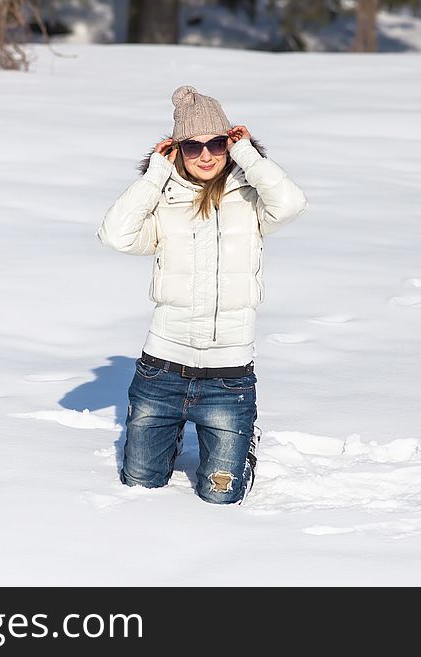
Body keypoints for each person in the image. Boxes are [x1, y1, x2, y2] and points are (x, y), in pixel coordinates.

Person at [96, 85, 308, 504]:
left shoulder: (250, 201)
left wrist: (248, 153)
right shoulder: (165, 203)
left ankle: (240, 440)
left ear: (229, 144)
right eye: (193, 147)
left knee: (220, 498)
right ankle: (169, 433)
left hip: (228, 379)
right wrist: (156, 174)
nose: (206, 155)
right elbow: (116, 236)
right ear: (177, 150)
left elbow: (291, 203)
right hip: (161, 373)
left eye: (216, 143)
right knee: (140, 485)